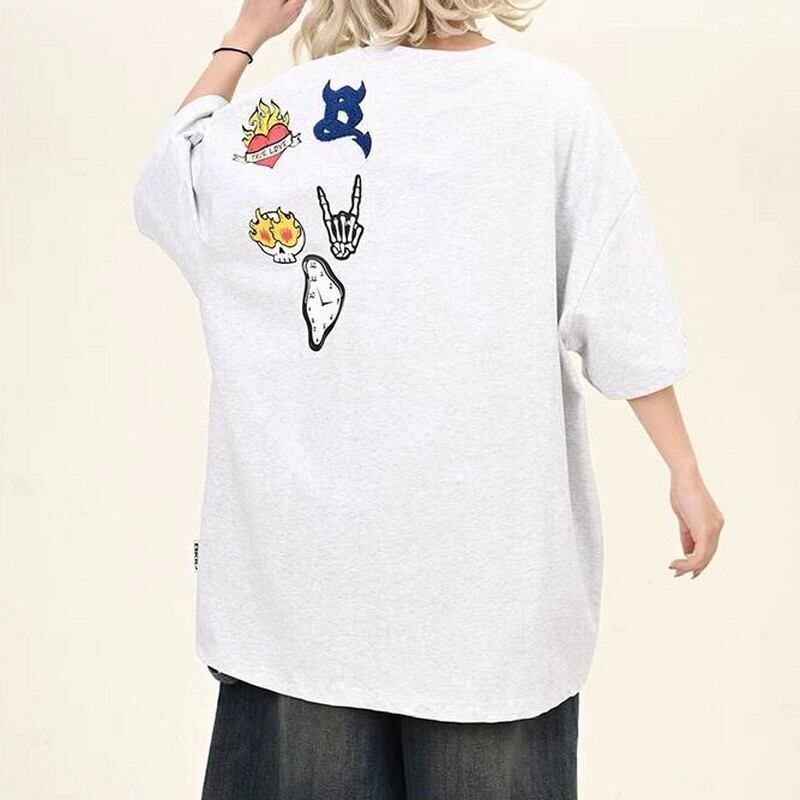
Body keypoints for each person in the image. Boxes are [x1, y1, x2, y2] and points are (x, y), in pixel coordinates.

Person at [133, 0, 725, 797]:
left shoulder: (290, 113)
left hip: (309, 587)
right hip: (487, 582)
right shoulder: (552, 106)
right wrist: (683, 468)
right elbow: (620, 307)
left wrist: (244, 35)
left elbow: (171, 184)